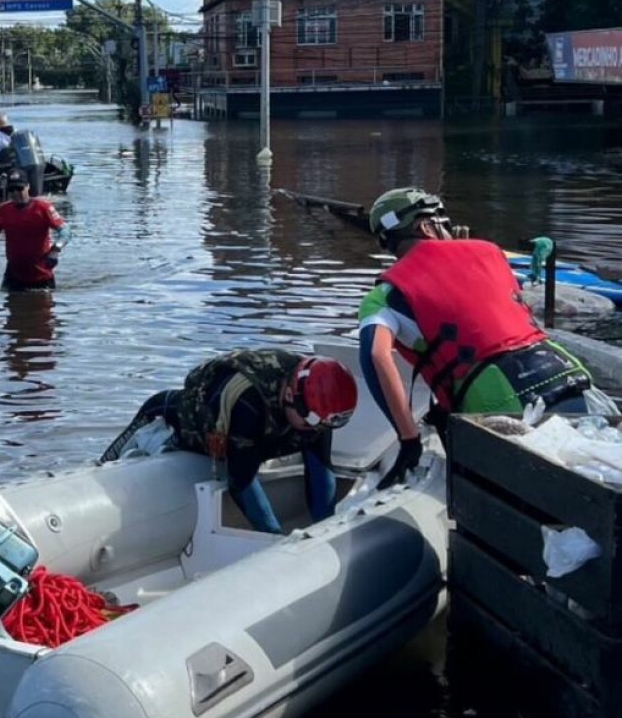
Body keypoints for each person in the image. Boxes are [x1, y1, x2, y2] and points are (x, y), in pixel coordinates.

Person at [359, 186, 594, 489]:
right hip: (567, 370)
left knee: (532, 494)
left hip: (500, 394)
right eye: (444, 223)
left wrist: (409, 437)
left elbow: (376, 356)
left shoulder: (385, 295)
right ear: (426, 226)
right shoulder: (490, 252)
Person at [107, 349, 358, 533]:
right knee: (109, 464)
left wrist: (326, 528)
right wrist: (276, 539)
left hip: (262, 426)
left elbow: (320, 464)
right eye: (309, 423)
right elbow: (242, 480)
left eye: (321, 426)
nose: (313, 431)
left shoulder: (316, 410)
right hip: (172, 421)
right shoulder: (248, 404)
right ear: (290, 395)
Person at [0, 172, 64, 290]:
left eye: (19, 188)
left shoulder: (43, 208)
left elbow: (65, 232)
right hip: (13, 275)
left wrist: (55, 250)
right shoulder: (4, 210)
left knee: (41, 301)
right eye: (11, 189)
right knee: (10, 300)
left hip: (41, 275)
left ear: (28, 186)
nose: (15, 193)